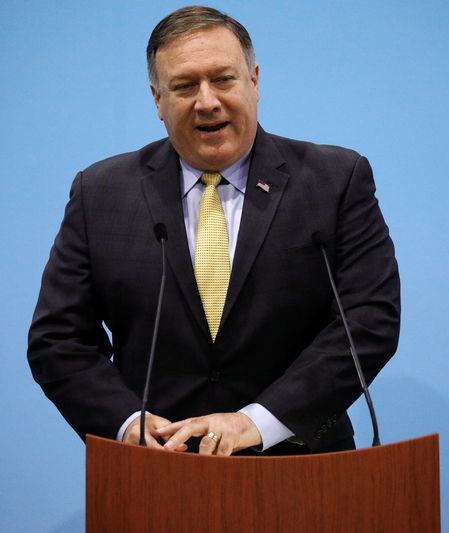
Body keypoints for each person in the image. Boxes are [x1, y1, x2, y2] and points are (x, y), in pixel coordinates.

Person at [28, 6, 400, 456]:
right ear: (157, 99)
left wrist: (256, 422)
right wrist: (126, 424)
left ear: (255, 81)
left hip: (304, 468)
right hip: (156, 470)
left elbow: (368, 320)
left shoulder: (333, 180)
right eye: (184, 86)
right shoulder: (101, 194)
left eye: (223, 79)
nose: (207, 101)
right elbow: (59, 340)